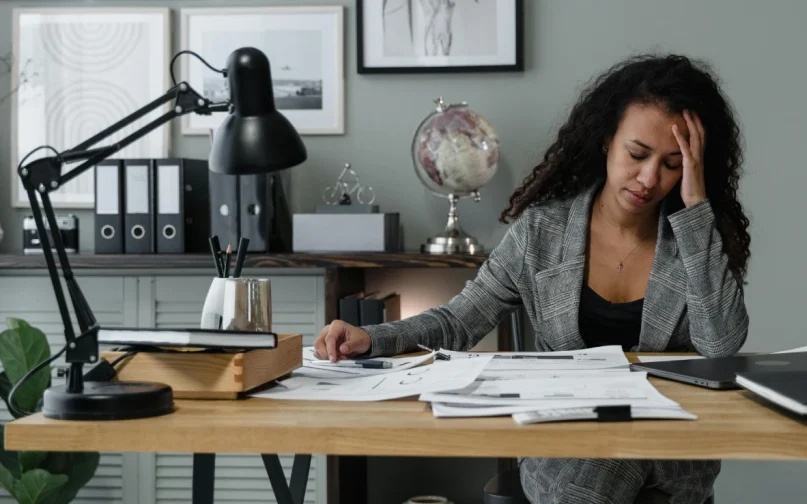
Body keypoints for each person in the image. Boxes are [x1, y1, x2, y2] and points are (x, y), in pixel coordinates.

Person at [315, 53, 751, 504]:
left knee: (613, 463)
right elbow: (459, 322)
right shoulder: (542, 232)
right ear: (607, 140)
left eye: (673, 164)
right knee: (598, 471)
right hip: (565, 443)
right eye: (637, 154)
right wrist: (371, 338)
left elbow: (720, 345)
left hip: (666, 448)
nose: (648, 177)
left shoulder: (697, 239)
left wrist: (696, 208)